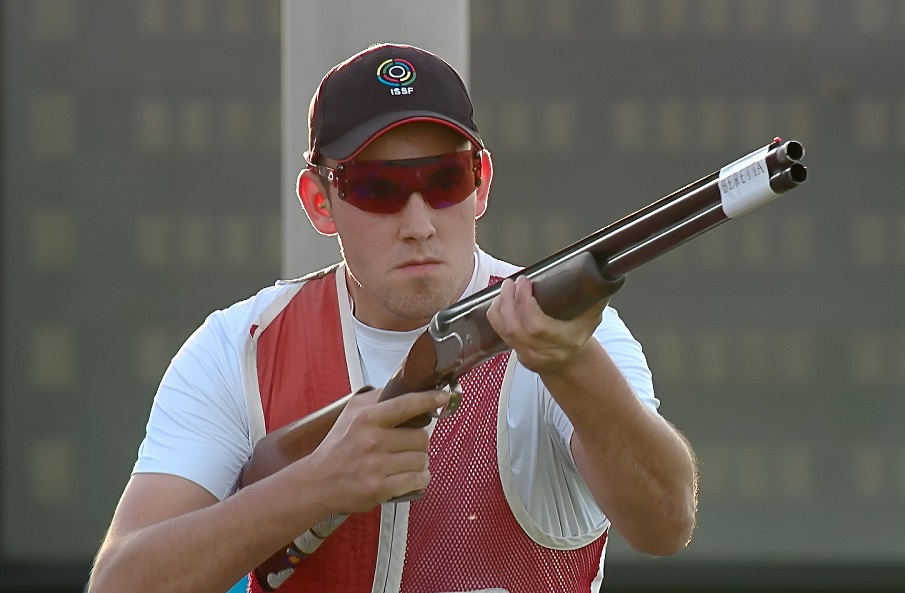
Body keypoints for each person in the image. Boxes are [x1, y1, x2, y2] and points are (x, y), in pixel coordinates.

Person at [89, 42, 698, 593]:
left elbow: (666, 524)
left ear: (481, 184)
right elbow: (120, 585)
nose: (419, 223)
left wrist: (572, 366)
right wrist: (318, 485)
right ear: (319, 202)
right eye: (377, 188)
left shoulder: (571, 338)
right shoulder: (238, 348)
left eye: (444, 180)